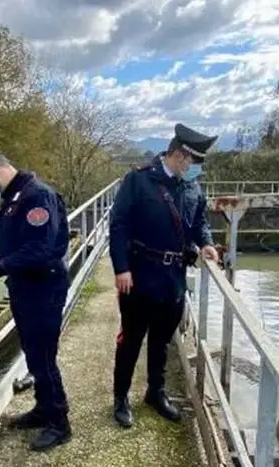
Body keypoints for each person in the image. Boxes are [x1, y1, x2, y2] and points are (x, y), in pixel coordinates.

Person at [0, 143, 73, 451]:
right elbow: (20, 238)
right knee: (32, 353)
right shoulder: (15, 197)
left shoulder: (37, 196)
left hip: (44, 288)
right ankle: (42, 409)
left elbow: (40, 249)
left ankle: (59, 423)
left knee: (43, 357)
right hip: (26, 287)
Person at [108, 123, 220, 429]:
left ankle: (155, 393)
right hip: (140, 274)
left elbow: (199, 222)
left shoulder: (192, 186)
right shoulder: (139, 180)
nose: (196, 169)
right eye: (194, 162)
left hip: (174, 277)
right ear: (180, 155)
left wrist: (207, 243)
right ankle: (121, 398)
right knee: (131, 340)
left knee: (161, 341)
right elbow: (118, 226)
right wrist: (121, 268)